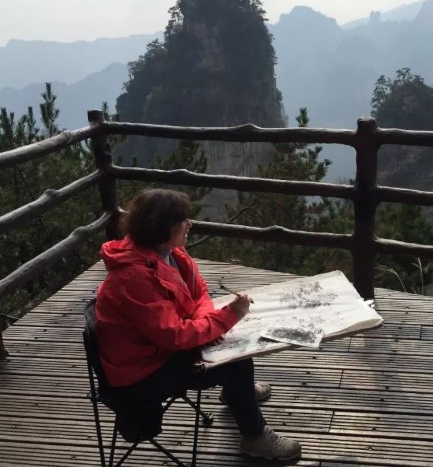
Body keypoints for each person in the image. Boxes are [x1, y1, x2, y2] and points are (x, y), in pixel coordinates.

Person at [95, 188, 301, 461]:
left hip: (156, 350)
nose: (189, 224)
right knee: (238, 362)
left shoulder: (170, 254)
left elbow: (199, 293)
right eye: (182, 220)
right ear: (162, 227)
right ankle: (255, 437)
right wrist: (224, 319)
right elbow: (173, 336)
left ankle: (237, 392)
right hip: (141, 373)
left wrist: (208, 324)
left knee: (228, 340)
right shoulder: (134, 277)